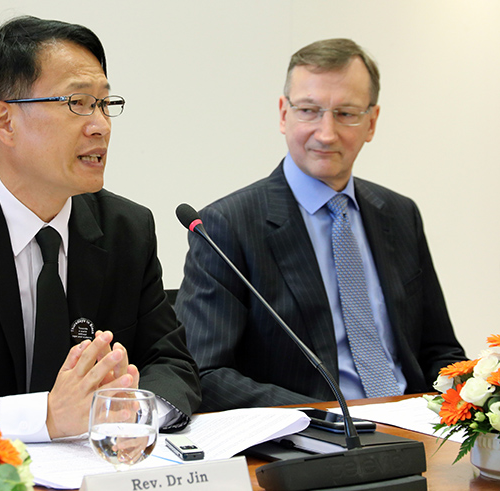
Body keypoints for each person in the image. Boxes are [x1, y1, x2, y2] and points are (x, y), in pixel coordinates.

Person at [0, 16, 201, 440]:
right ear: (4, 122)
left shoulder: (126, 229)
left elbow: (172, 364)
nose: (100, 124)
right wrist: (45, 416)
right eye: (78, 102)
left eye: (104, 103)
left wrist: (132, 410)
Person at [175, 38, 466, 412]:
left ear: (372, 122)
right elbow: (204, 371)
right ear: (283, 114)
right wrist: (324, 419)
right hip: (310, 441)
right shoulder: (227, 225)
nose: (326, 133)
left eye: (346, 113)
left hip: (416, 424)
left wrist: (470, 403)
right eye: (309, 110)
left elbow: (439, 350)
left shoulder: (399, 213)